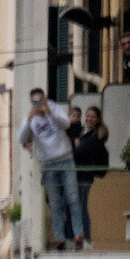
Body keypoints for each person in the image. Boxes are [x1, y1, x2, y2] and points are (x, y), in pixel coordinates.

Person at [17, 88, 83, 250]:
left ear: (45, 99)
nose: (38, 105)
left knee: (72, 197)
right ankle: (59, 237)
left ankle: (78, 234)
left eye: (40, 101)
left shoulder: (54, 108)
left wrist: (49, 113)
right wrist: (28, 118)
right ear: (31, 103)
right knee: (54, 203)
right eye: (35, 102)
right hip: (48, 164)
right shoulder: (31, 119)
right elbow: (21, 137)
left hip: (66, 160)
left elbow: (66, 123)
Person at [69, 106, 110, 245]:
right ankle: (77, 237)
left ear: (97, 120)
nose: (89, 119)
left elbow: (79, 153)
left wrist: (76, 147)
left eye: (92, 117)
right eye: (87, 116)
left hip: (84, 177)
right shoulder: (82, 132)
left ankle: (86, 239)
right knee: (75, 206)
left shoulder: (95, 137)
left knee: (81, 206)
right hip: (76, 175)